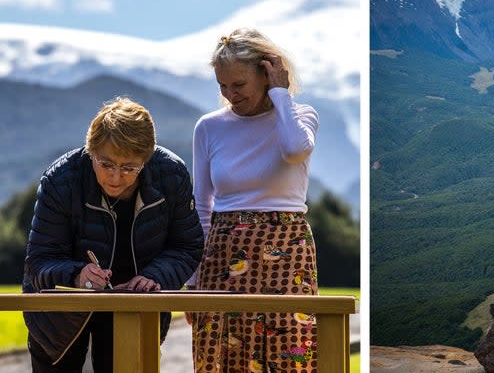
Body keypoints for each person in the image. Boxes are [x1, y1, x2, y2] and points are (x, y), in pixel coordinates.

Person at [22, 97, 204, 372]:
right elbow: (39, 259)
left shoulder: (171, 175)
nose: (116, 177)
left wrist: (154, 277)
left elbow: (187, 246)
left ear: (147, 158)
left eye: (129, 167)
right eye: (106, 164)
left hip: (135, 306)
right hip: (60, 313)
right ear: (90, 150)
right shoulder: (60, 180)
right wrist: (77, 275)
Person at [186, 28, 320, 372]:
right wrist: (193, 279)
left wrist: (280, 94)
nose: (230, 94)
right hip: (221, 252)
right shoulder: (209, 127)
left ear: (265, 73)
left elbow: (294, 150)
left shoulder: (299, 116)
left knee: (286, 351)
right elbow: (202, 204)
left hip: (286, 250)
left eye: (239, 84)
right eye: (222, 85)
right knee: (219, 355)